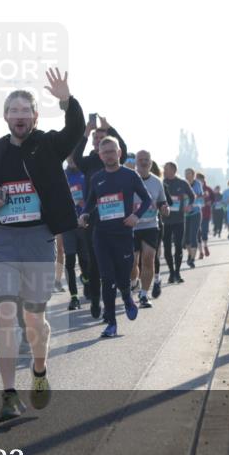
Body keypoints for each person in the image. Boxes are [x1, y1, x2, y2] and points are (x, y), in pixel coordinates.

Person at [0, 68, 84, 422]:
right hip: (2, 241)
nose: (20, 116)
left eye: (26, 111)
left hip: (38, 239)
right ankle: (8, 394)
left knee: (33, 319)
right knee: (5, 316)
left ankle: (39, 370)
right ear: (5, 116)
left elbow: (75, 130)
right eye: (14, 111)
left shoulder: (49, 145)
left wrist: (67, 100)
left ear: (35, 116)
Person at [78, 137, 151, 338]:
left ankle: (127, 296)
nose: (109, 155)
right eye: (105, 152)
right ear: (100, 156)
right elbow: (90, 202)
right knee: (107, 277)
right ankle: (111, 322)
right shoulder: (96, 178)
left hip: (124, 234)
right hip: (101, 234)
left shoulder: (130, 175)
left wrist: (136, 216)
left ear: (119, 153)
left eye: (112, 151)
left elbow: (147, 199)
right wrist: (84, 214)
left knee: (122, 275)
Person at [73, 114, 128, 319]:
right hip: (94, 220)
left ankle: (114, 298)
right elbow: (76, 155)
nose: (98, 140)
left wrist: (110, 128)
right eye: (95, 138)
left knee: (115, 262)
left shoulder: (115, 157)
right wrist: (86, 132)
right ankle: (96, 300)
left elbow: (124, 148)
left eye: (101, 137)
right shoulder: (88, 162)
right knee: (95, 263)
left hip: (117, 218)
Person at [133, 151, 168, 308]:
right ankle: (134, 282)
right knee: (132, 263)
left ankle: (144, 295)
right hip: (131, 226)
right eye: (141, 159)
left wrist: (164, 208)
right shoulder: (129, 179)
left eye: (146, 160)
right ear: (136, 162)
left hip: (150, 225)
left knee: (148, 259)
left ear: (151, 162)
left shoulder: (157, 181)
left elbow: (162, 202)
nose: (144, 162)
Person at [61, 155, 89, 311]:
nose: (71, 159)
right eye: (69, 156)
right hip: (68, 224)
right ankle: (74, 297)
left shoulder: (85, 173)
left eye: (74, 155)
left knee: (85, 260)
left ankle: (86, 279)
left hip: (84, 222)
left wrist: (86, 203)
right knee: (70, 262)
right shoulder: (62, 175)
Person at [161, 162, 194, 284]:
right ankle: (171, 273)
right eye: (164, 169)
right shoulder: (161, 182)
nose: (164, 171)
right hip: (165, 220)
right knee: (167, 248)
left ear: (173, 171)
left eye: (166, 169)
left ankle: (177, 272)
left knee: (179, 247)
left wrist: (189, 206)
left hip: (179, 220)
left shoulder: (182, 183)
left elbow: (192, 196)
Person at [183, 168, 204, 269]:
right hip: (185, 214)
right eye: (186, 173)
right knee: (186, 239)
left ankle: (192, 259)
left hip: (196, 212)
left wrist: (192, 203)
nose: (187, 175)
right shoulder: (182, 183)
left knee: (193, 236)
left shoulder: (197, 184)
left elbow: (199, 196)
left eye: (189, 173)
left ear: (193, 174)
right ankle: (190, 254)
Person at [197, 172, 213, 258]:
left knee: (204, 231)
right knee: (197, 233)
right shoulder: (192, 188)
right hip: (195, 214)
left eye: (199, 179)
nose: (198, 180)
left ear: (203, 180)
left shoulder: (208, 189)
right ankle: (200, 251)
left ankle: (205, 246)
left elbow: (213, 198)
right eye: (196, 179)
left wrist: (210, 202)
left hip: (206, 213)